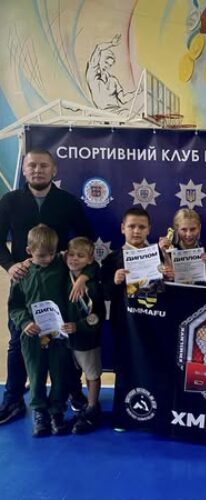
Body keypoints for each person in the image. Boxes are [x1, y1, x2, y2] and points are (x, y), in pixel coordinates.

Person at [0, 148, 92, 425]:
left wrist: (75, 264)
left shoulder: (68, 202)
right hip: (25, 283)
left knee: (65, 342)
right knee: (19, 341)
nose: (37, 170)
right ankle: (13, 399)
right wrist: (10, 266)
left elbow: (86, 238)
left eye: (43, 165)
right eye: (32, 166)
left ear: (54, 170)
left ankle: (73, 393)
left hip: (60, 284)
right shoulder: (10, 200)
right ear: (24, 170)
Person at [9, 225, 89, 437]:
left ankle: (57, 412)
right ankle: (39, 413)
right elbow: (14, 306)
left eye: (52, 254)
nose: (48, 259)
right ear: (29, 251)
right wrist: (24, 322)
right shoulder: (22, 274)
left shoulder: (62, 267)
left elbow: (89, 267)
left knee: (59, 373)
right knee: (36, 375)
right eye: (42, 255)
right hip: (32, 335)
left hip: (58, 334)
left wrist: (83, 278)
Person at [64, 237, 105, 434]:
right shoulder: (63, 276)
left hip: (86, 339)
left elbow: (97, 317)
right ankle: (80, 402)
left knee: (92, 374)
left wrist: (78, 326)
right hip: (66, 338)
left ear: (89, 259)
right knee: (70, 372)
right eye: (71, 255)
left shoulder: (93, 285)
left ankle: (92, 407)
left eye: (80, 256)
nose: (74, 259)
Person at [158, 208, 206, 282]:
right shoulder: (166, 251)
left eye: (193, 229)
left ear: (199, 228)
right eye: (184, 230)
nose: (189, 234)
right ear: (176, 229)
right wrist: (165, 256)